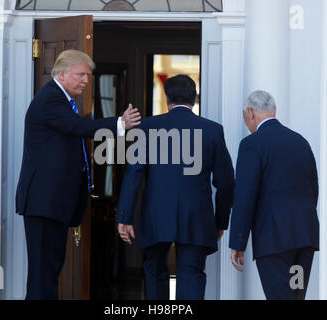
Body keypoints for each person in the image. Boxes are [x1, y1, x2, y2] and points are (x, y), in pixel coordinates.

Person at [15, 49, 141, 300]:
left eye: (88, 76)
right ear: (61, 75)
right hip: (44, 203)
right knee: (43, 275)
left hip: (52, 203)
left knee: (49, 270)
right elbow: (77, 127)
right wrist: (119, 124)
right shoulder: (51, 99)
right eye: (80, 74)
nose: (86, 80)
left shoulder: (60, 100)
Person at [116, 75, 235, 300]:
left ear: (167, 97)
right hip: (197, 216)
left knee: (155, 272)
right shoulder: (212, 130)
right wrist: (220, 222)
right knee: (191, 274)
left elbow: (134, 174)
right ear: (193, 97)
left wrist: (125, 216)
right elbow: (226, 183)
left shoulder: (148, 127)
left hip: (156, 214)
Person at [229, 90, 319, 300]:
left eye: (245, 119)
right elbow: (313, 188)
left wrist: (238, 242)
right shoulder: (300, 141)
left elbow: (244, 196)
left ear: (251, 112)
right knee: (296, 294)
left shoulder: (252, 144)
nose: (247, 125)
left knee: (280, 297)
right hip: (304, 237)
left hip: (274, 239)